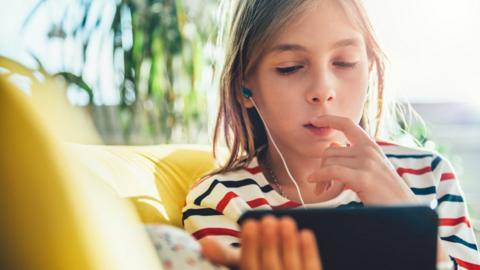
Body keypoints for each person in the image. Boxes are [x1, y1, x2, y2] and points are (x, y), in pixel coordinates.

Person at [182, 0, 480, 269]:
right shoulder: (221, 201)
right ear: (243, 87)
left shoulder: (429, 176)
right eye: (290, 68)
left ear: (370, 68)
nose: (323, 90)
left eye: (344, 62)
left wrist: (407, 217)